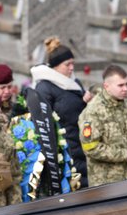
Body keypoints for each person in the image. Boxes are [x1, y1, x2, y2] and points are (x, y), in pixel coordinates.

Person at [30, 36, 93, 188]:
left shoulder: (74, 83)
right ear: (55, 66)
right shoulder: (44, 88)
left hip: (80, 146)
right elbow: (43, 122)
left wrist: (86, 102)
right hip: (65, 151)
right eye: (67, 64)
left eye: (73, 64)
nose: (71, 68)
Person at [78, 65, 127, 187]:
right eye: (120, 85)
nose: (125, 89)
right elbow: (90, 147)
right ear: (106, 86)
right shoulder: (93, 111)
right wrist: (126, 154)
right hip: (104, 183)